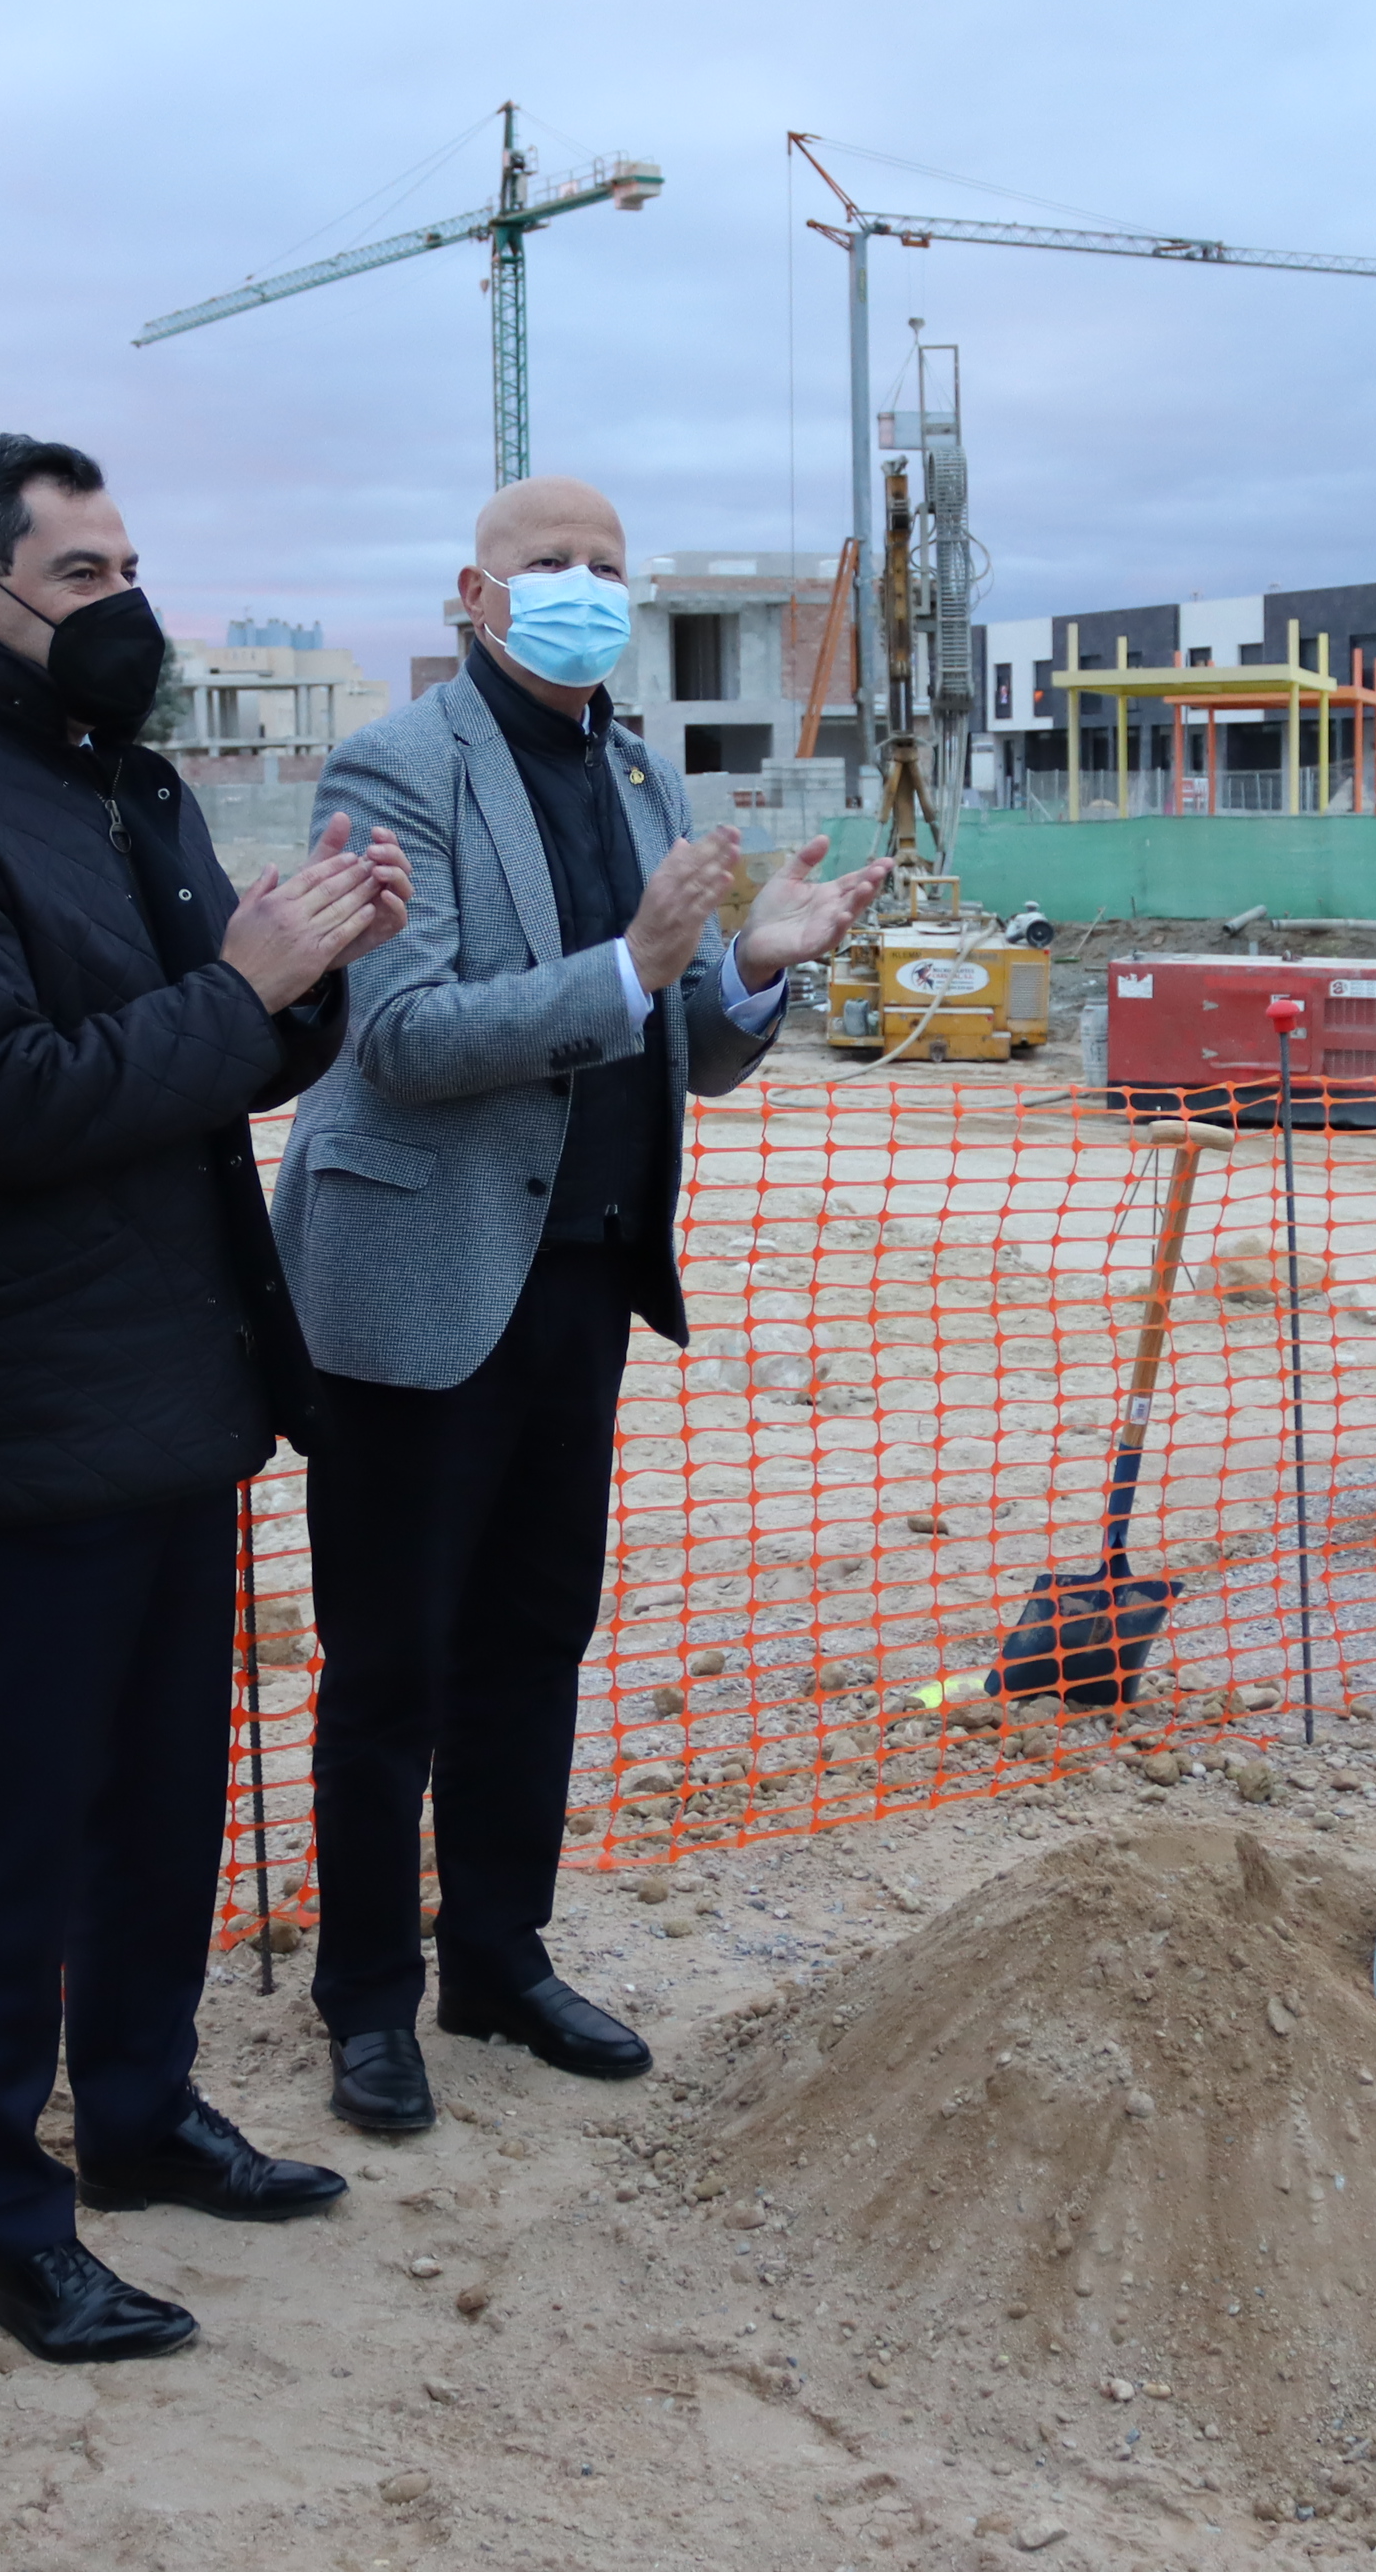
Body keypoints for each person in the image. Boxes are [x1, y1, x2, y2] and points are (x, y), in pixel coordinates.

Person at [0, 435, 409, 2360]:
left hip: (180, 1371)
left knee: (163, 1797)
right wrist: (243, 990)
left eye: (128, 562)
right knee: (17, 1826)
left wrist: (315, 971)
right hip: (29, 1387)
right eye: (78, 573)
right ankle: (5, 2208)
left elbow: (208, 1050)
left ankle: (142, 2118)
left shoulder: (124, 787)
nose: (121, 605)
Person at [277, 475, 891, 2135]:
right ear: (472, 592)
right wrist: (630, 961)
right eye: (549, 565)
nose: (583, 590)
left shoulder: (633, 765)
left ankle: (495, 1953)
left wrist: (753, 964)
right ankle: (364, 2003)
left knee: (533, 1638)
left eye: (607, 568)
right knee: (391, 1658)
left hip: (583, 1280)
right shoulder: (394, 770)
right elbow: (398, 1035)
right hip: (420, 1283)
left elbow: (673, 1031)